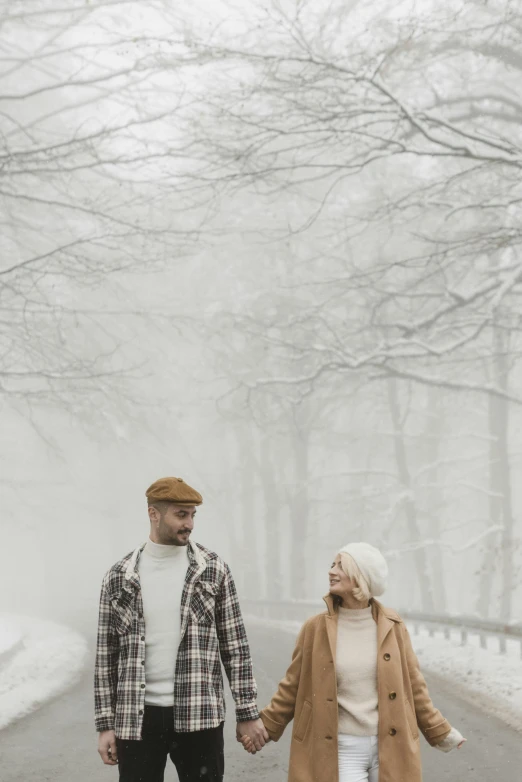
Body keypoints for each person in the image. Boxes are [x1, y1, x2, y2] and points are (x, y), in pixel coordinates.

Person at [240, 542, 466, 782]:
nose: (331, 571)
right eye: (332, 565)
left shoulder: (393, 626)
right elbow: (292, 687)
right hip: (341, 749)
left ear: (361, 577)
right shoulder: (315, 628)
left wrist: (439, 730)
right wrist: (265, 727)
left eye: (341, 566)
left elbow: (414, 687)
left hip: (390, 747)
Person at [94, 475, 268, 782]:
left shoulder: (213, 570)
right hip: (138, 720)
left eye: (192, 515)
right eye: (181, 514)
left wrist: (247, 712)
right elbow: (106, 658)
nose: (189, 523)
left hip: (200, 714)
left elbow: (236, 647)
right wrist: (106, 725)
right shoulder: (119, 577)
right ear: (154, 513)